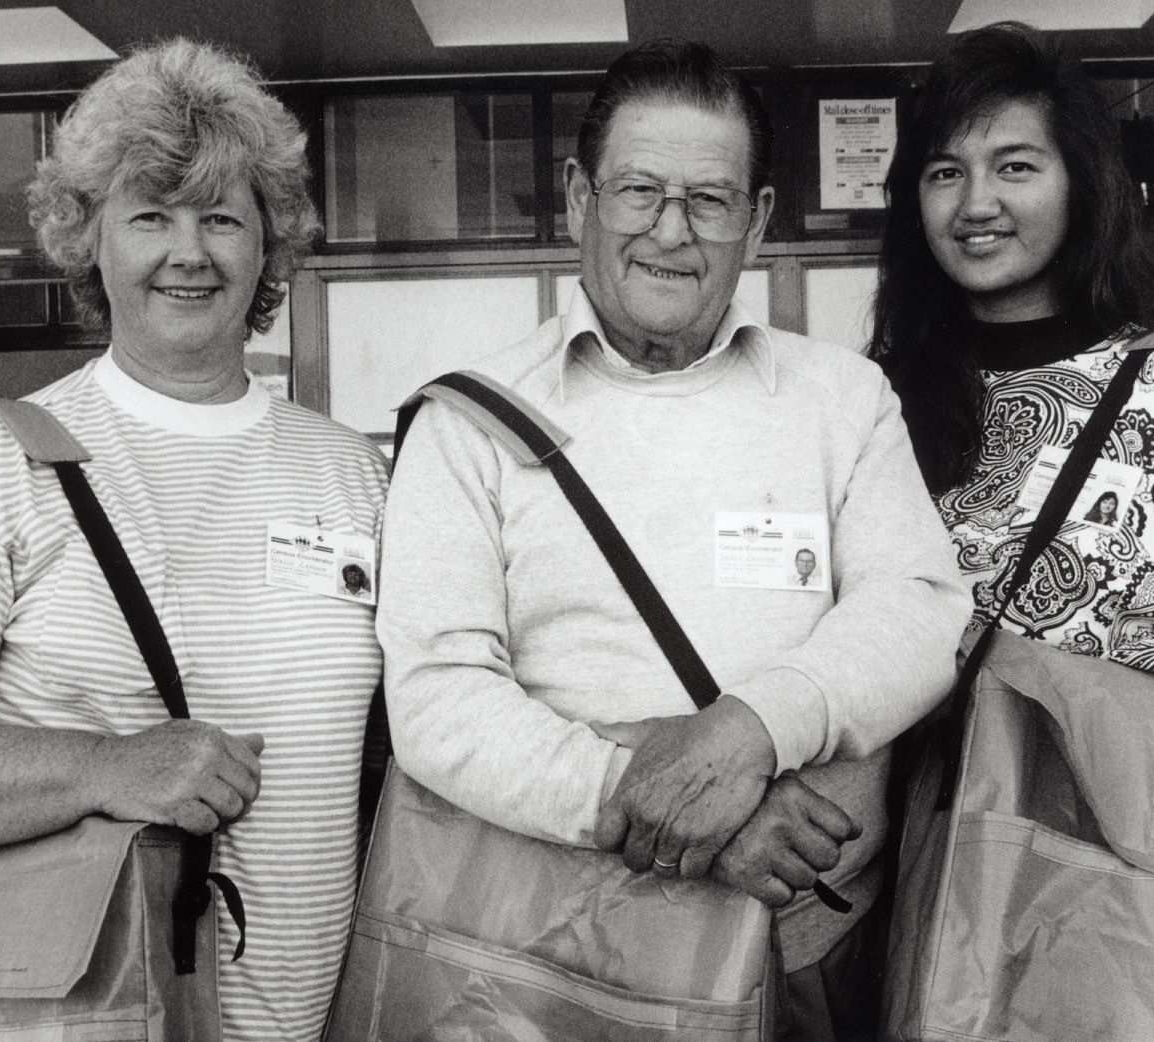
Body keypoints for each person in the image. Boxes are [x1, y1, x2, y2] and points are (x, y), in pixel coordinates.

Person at [378, 38, 969, 1040]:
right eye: (638, 191)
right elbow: (438, 699)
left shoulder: (842, 398)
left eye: (709, 199)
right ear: (576, 197)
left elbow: (919, 610)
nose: (671, 231)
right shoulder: (467, 423)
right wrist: (695, 811)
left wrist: (751, 730)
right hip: (557, 951)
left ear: (760, 219)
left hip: (810, 952)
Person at [0, 40, 388, 1041]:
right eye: (150, 215)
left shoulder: (353, 473)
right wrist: (104, 768)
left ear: (268, 245)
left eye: (221, 215)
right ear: (89, 240)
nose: (188, 250)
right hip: (67, 1017)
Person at [871, 21, 1154, 730]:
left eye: (1015, 167)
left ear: (1082, 185)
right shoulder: (873, 400)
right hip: (936, 821)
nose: (975, 203)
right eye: (944, 171)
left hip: (1147, 822)